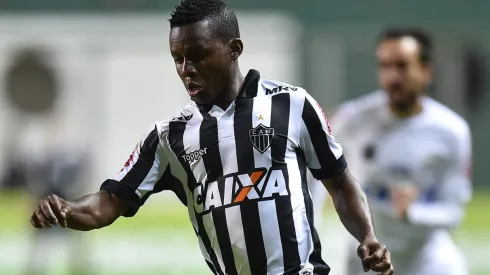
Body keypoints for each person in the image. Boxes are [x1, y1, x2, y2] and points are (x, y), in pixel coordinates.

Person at [29, 1, 394, 274]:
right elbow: (108, 202)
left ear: (234, 49)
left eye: (197, 56)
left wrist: (368, 237)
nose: (186, 70)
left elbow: (341, 183)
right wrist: (66, 210)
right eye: (177, 59)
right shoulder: (168, 137)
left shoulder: (292, 105)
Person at [330, 28, 472, 275]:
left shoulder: (451, 131)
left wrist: (413, 213)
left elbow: (454, 212)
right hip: (366, 260)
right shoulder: (352, 121)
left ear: (427, 70)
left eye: (402, 66)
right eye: (385, 66)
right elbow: (312, 182)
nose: (392, 76)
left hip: (429, 261)